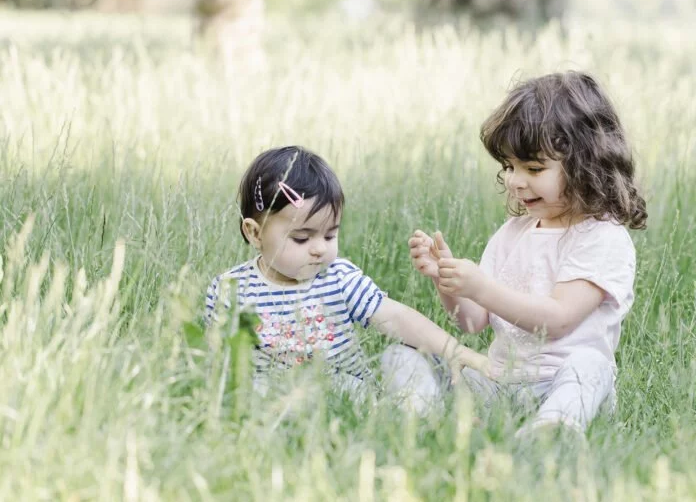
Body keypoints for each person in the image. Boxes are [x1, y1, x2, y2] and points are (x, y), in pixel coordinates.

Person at [409, 71, 647, 433]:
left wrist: (481, 287)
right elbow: (473, 322)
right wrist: (448, 280)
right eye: (509, 167)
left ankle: (555, 426)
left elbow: (556, 320)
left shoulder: (602, 238)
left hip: (561, 385)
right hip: (502, 381)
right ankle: (431, 416)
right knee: (415, 358)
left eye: (534, 168)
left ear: (585, 165)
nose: (516, 181)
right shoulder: (513, 234)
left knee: (590, 365)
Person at [205, 146, 488, 413]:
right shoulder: (231, 290)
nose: (319, 248)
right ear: (255, 233)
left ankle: (418, 417)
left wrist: (454, 350)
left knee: (400, 358)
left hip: (347, 391)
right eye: (302, 238)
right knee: (254, 389)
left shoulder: (337, 277)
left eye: (330, 235)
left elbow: (395, 317)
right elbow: (221, 363)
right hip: (275, 396)